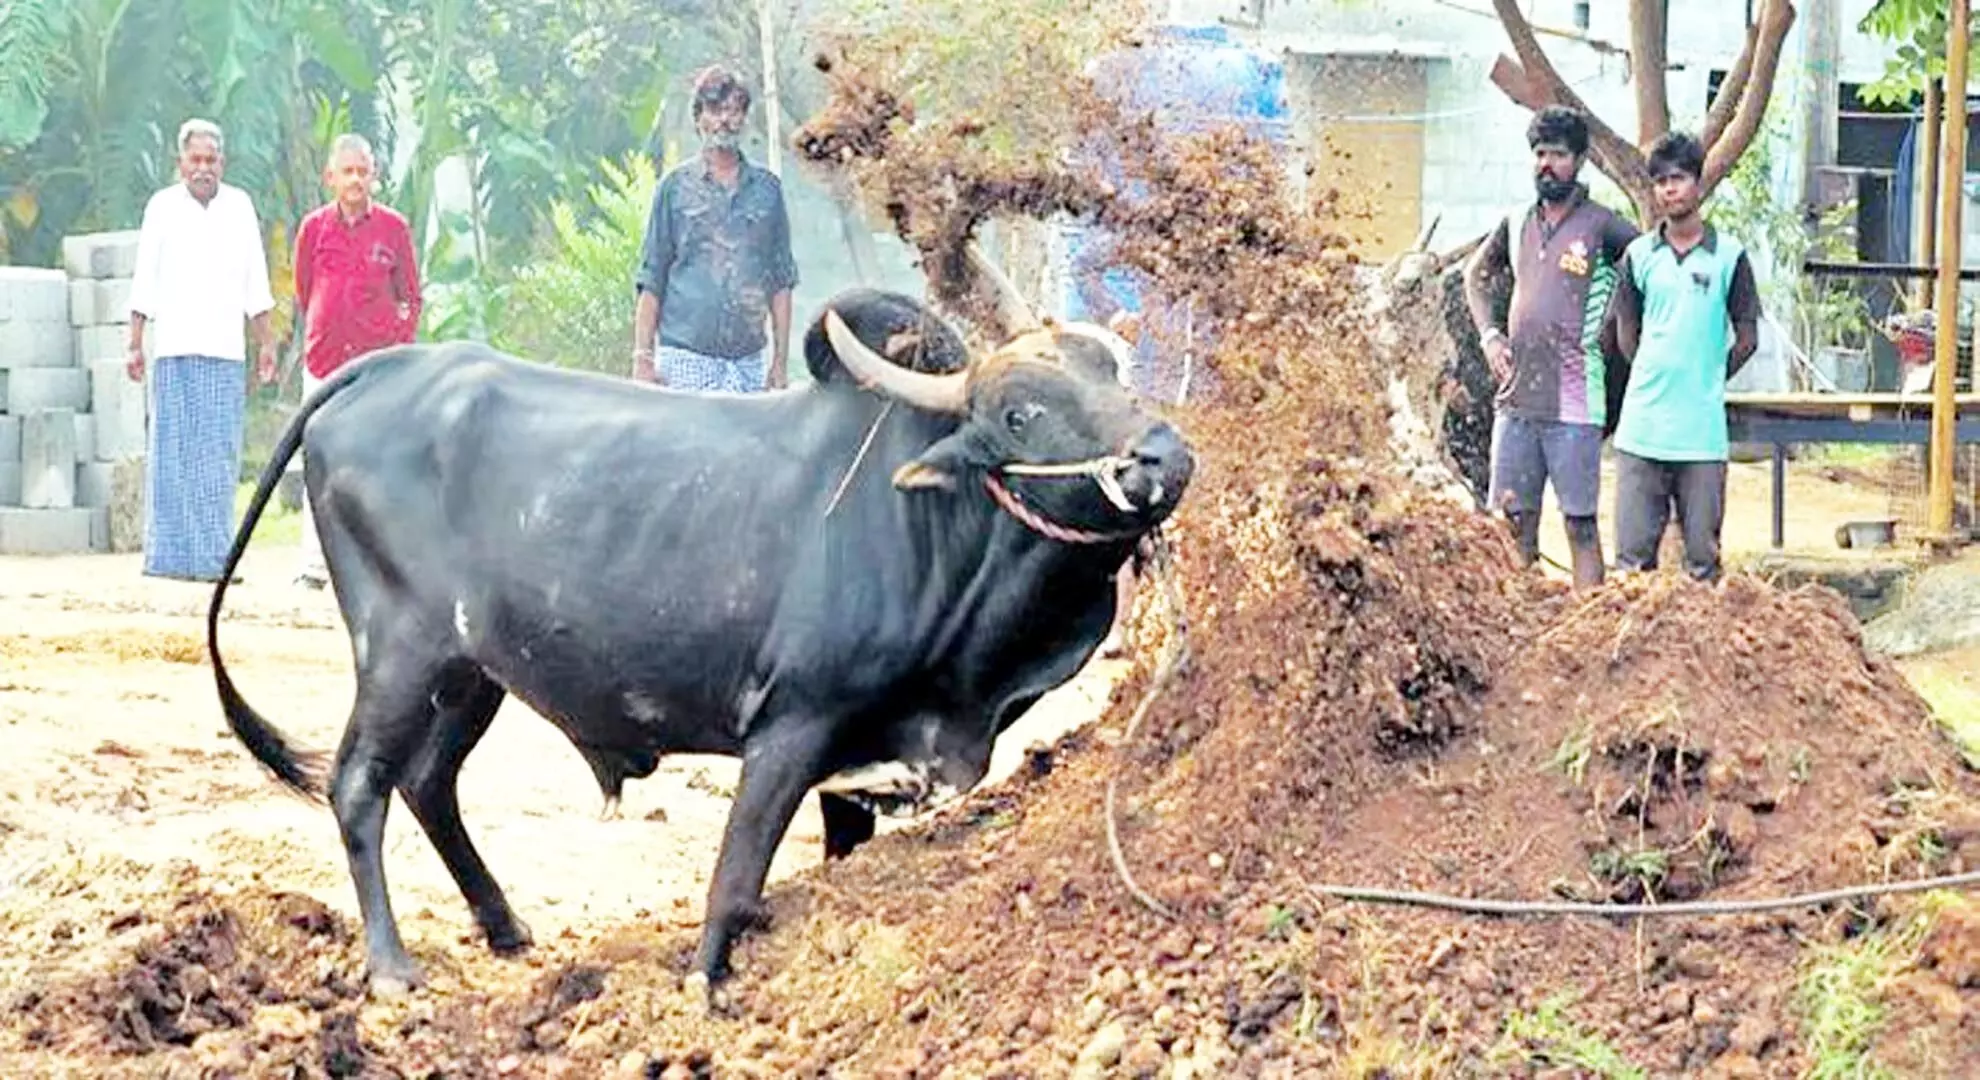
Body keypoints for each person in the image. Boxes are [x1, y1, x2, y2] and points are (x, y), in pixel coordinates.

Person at [1463, 105, 1639, 586]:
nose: (1546, 164)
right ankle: (1520, 623)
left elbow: (1648, 267)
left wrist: (1622, 327)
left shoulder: (1603, 225)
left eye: (1557, 154)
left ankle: (1589, 629)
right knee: (1512, 524)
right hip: (1516, 400)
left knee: (1579, 524)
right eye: (1539, 153)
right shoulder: (1517, 219)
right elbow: (1475, 275)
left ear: (1579, 160)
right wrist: (1490, 335)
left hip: (1577, 403)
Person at [1605, 131, 1762, 583]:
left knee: (1703, 566)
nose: (1669, 189)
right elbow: (1626, 335)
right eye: (1661, 182)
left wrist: (1708, 373)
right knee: (1632, 569)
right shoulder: (1638, 256)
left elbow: (1747, 337)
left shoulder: (1729, 257)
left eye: (1679, 178)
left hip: (1701, 435)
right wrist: (1657, 371)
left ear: (1698, 183)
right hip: (1641, 431)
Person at [127, 118, 278, 583]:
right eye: (195, 159)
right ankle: (168, 559)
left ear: (222, 164)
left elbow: (257, 280)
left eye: (211, 160)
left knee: (217, 456)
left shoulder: (239, 207)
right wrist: (134, 343)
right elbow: (144, 280)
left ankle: (215, 559)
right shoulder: (162, 208)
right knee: (171, 454)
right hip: (172, 350)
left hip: (224, 352)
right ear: (180, 163)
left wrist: (267, 342)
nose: (203, 168)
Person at [291, 133, 422, 589]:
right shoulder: (314, 229)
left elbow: (411, 297)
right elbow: (305, 290)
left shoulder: (393, 229)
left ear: (374, 177)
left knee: (378, 464)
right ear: (331, 178)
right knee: (318, 460)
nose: (355, 180)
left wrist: (394, 344)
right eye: (347, 172)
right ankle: (313, 567)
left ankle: (378, 569)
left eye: (363, 171)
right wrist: (328, 327)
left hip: (377, 372)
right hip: (324, 365)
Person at [631, 65, 799, 391]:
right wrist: (642, 359)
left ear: (744, 119)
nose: (724, 119)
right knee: (684, 443)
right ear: (698, 118)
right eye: (715, 109)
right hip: (684, 361)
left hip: (747, 363)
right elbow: (652, 276)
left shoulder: (767, 190)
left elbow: (781, 280)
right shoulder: (674, 188)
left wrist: (779, 363)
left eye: (734, 110)